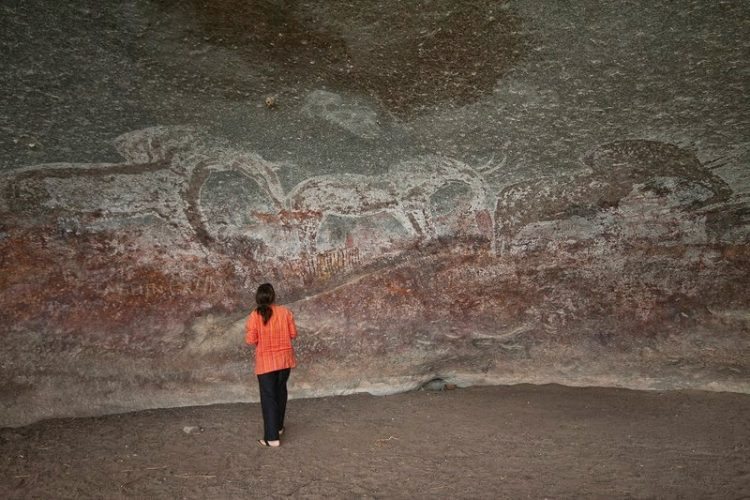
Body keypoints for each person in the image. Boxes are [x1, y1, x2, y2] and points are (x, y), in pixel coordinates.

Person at [245, 283, 298, 448]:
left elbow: (250, 340)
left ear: (258, 297)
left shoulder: (255, 315)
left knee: (269, 397)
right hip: (284, 360)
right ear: (273, 296)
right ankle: (279, 427)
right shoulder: (285, 312)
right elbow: (293, 334)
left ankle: (272, 438)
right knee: (280, 392)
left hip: (266, 362)